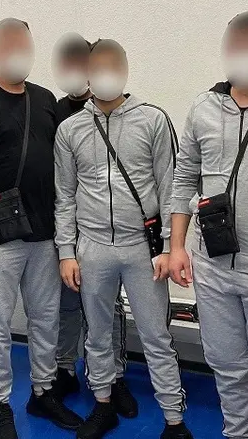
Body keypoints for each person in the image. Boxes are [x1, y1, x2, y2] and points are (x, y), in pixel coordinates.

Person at [55, 39, 192, 439]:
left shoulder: (153, 120)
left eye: (114, 64)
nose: (106, 73)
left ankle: (174, 420)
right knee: (97, 335)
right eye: (98, 66)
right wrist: (67, 251)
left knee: (156, 337)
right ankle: (103, 404)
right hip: (92, 248)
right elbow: (64, 196)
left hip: (142, 250)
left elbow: (171, 188)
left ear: (126, 68)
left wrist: (168, 247)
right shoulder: (70, 129)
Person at [0, 18, 84, 439]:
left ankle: (43, 392)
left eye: (22, 43)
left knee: (45, 320)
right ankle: (0, 403)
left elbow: (63, 168)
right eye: (7, 43)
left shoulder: (45, 100)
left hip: (45, 234)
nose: (15, 50)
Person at [170, 11, 248, 439]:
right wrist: (176, 247)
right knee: (227, 367)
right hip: (213, 264)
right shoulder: (203, 107)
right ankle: (236, 432)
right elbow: (184, 178)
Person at [51, 33, 136, 416]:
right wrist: (64, 243)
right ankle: (65, 368)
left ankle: (114, 377)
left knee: (110, 308)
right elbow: (61, 183)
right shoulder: (56, 112)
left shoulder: (122, 113)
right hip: (69, 231)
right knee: (67, 304)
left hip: (109, 237)